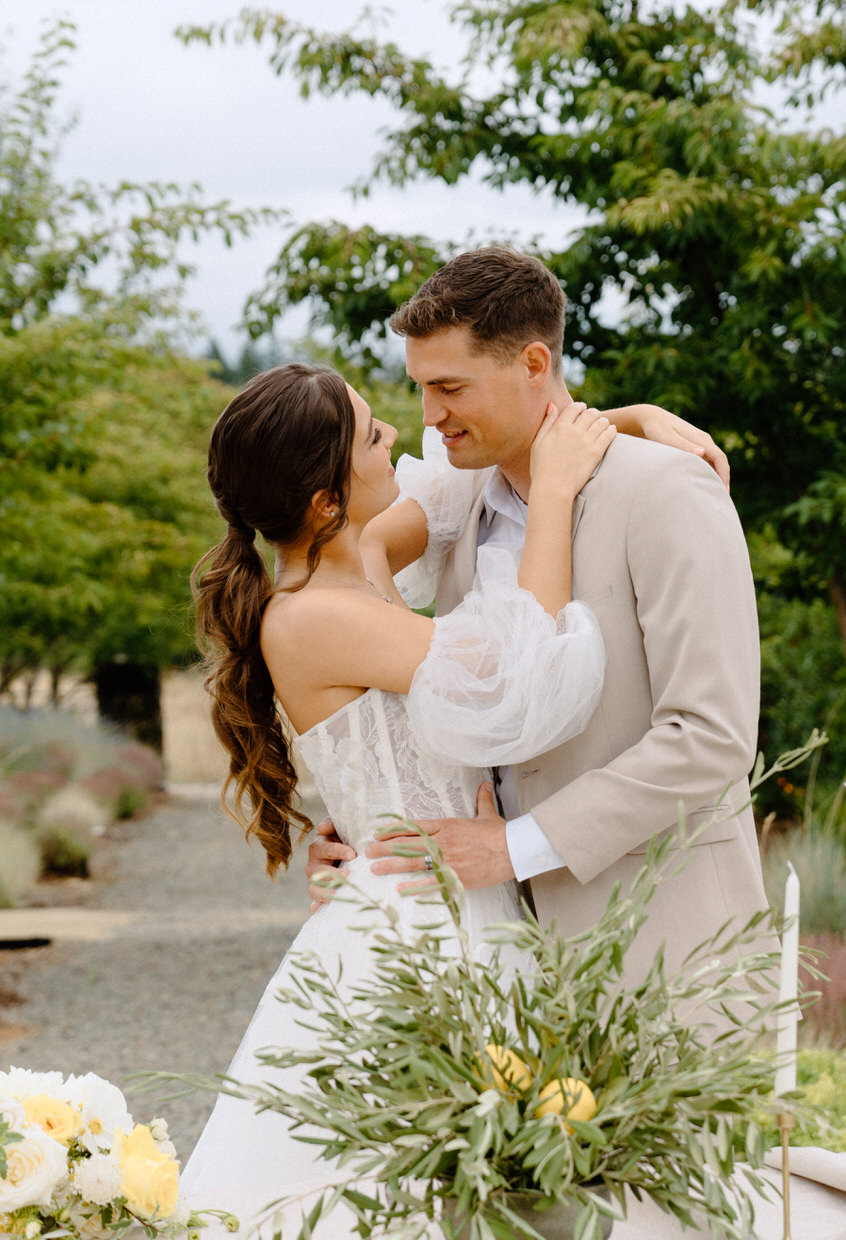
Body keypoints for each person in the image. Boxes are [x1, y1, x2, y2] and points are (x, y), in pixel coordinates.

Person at [180, 359, 701, 1230]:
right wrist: (562, 495)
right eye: (371, 432)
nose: (397, 436)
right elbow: (522, 680)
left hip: (468, 898)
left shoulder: (370, 553)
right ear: (321, 502)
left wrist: (626, 416)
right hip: (416, 926)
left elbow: (473, 472)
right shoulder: (311, 614)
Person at [307, 246, 769, 995]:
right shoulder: (460, 516)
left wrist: (515, 848)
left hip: (668, 952)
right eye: (421, 389)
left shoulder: (666, 491)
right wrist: (363, 838)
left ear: (531, 363)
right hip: (505, 967)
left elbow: (711, 737)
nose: (430, 417)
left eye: (449, 387)